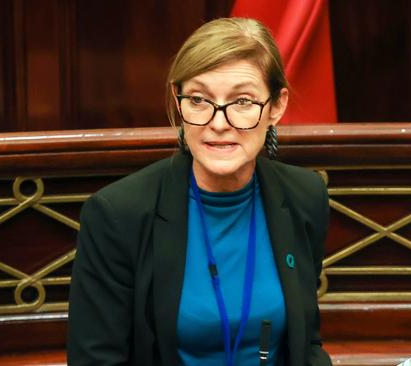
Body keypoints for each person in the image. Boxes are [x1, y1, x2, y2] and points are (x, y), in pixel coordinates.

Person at [67, 17, 332, 366]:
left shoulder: (305, 195)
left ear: (276, 106)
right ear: (179, 105)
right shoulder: (118, 215)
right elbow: (95, 360)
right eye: (199, 99)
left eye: (242, 102)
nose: (218, 124)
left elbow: (305, 343)